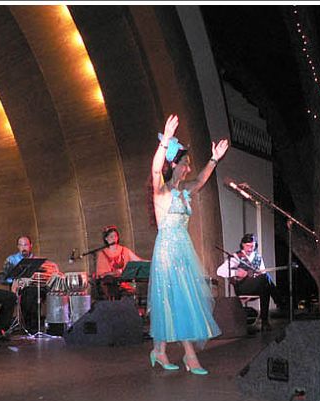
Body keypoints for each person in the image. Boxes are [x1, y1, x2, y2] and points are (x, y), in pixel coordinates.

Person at [147, 114, 228, 375]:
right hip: (167, 253)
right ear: (175, 164)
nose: (188, 169)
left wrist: (214, 159)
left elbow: (202, 180)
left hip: (183, 251)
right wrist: (167, 139)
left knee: (171, 301)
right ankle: (189, 355)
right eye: (185, 164)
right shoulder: (161, 191)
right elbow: (156, 169)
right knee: (177, 299)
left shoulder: (184, 192)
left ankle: (159, 351)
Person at [216, 233, 285, 331]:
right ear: (243, 245)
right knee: (265, 280)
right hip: (242, 287)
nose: (250, 248)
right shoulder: (236, 257)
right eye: (247, 246)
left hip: (256, 287)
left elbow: (263, 273)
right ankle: (279, 303)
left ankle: (265, 321)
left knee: (265, 283)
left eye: (252, 246)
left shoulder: (258, 257)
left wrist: (258, 274)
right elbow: (219, 271)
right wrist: (236, 272)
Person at [0, 236, 61, 330]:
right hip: (20, 289)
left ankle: (54, 324)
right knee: (30, 293)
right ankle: (31, 326)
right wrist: (15, 280)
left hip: (35, 287)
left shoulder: (36, 260)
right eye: (21, 245)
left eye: (26, 245)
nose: (23, 248)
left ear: (31, 246)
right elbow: (3, 278)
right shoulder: (11, 260)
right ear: (17, 247)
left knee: (50, 291)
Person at [94, 225, 145, 300]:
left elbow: (138, 260)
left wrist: (151, 262)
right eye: (111, 237)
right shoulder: (102, 254)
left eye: (115, 236)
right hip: (110, 286)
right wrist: (114, 273)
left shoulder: (125, 250)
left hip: (124, 284)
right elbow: (101, 275)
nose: (114, 238)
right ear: (106, 239)